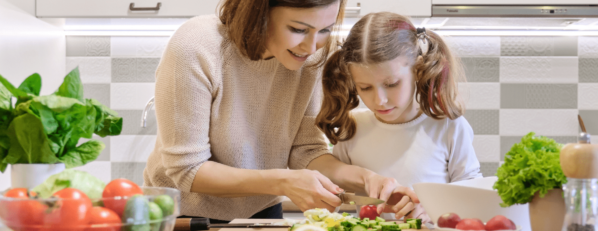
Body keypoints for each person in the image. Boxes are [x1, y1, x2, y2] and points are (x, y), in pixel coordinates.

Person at [143, 0, 421, 223]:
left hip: (261, 214)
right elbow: (187, 170)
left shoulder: (312, 59)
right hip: (182, 216)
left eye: (325, 30)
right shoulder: (196, 48)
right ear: (259, 12)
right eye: (299, 29)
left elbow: (306, 150)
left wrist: (369, 179)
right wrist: (284, 181)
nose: (312, 47)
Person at [316, 11, 483, 220]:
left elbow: (473, 195)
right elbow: (338, 194)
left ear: (417, 70)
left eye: (392, 84)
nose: (380, 100)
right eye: (365, 87)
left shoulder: (449, 126)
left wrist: (434, 211)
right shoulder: (352, 128)